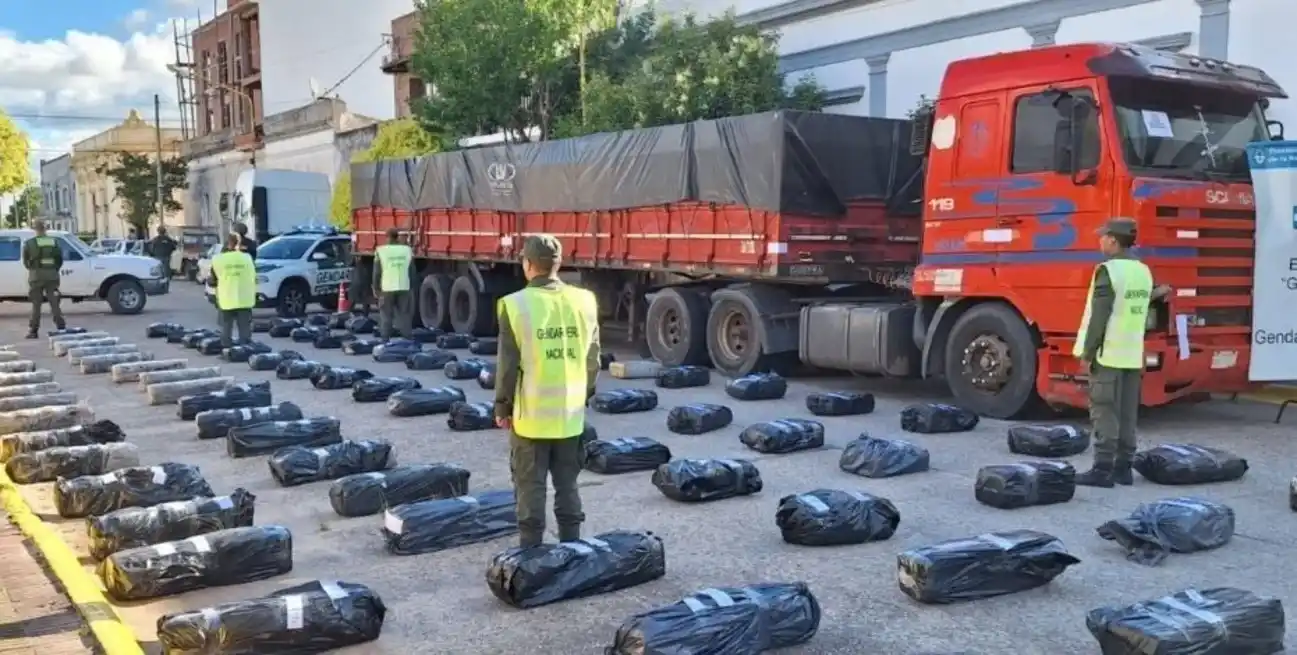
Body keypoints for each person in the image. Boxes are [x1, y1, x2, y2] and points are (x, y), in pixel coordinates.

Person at [494, 235, 600, 547]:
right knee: (568, 485)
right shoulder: (585, 300)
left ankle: (531, 557)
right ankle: (572, 551)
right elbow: (592, 358)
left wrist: (503, 408)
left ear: (527, 265)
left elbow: (507, 366)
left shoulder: (515, 305)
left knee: (530, 487)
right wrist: (584, 395)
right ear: (558, 264)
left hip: (531, 417)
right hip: (570, 415)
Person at [1073, 218, 1170, 488]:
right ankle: (1123, 469)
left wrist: (1088, 352)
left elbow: (1099, 317)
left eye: (1103, 237)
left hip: (1108, 353)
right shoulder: (1143, 271)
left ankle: (1102, 470)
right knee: (1128, 413)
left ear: (1113, 240)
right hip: (1131, 353)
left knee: (1104, 411)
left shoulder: (1108, 271)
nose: (1100, 241)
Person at [209, 233, 256, 348]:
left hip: (226, 298)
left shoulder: (218, 260)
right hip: (244, 297)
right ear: (238, 244)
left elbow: (212, 281)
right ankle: (245, 349)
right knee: (244, 326)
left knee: (226, 326)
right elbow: (253, 275)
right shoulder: (247, 258)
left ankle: (227, 349)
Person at [21, 220, 65, 338]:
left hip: (36, 276)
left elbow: (25, 261)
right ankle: (61, 327)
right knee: (54, 302)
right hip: (52, 276)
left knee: (36, 305)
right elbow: (59, 259)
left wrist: (34, 269)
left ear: (35, 230)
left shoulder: (29, 243)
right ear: (45, 229)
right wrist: (53, 269)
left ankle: (33, 331)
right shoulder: (53, 242)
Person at [372, 228, 413, 340]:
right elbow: (412, 271)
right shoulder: (407, 250)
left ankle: (385, 341)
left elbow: (376, 272)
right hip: (404, 287)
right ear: (397, 237)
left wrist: (375, 288)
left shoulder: (380, 250)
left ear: (387, 237)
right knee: (404, 315)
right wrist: (412, 287)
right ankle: (408, 341)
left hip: (387, 288)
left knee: (386, 316)